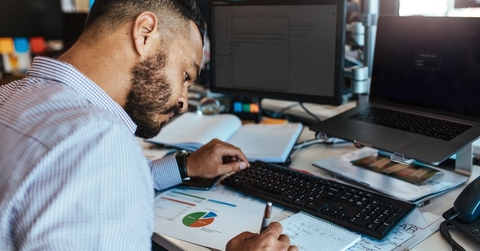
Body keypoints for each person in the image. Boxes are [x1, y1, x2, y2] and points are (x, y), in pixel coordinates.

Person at [0, 0, 297, 250]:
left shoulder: (12, 95)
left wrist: (185, 167)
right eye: (185, 75)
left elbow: (66, 176)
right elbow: (97, 170)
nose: (183, 101)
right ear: (144, 34)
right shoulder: (99, 145)